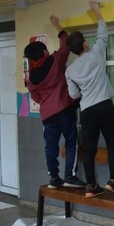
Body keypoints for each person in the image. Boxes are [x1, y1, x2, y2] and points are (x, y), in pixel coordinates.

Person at [65, 0, 114, 198]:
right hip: (105, 106)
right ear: (85, 44)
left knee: (89, 149)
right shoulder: (96, 54)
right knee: (112, 143)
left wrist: (85, 89)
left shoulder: (70, 70)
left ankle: (91, 186)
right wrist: (97, 12)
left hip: (87, 111)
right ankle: (113, 181)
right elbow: (103, 34)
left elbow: (74, 95)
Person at [24, 16, 85, 189]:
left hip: (47, 116)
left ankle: (54, 178)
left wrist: (46, 99)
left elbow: (36, 98)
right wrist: (57, 26)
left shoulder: (31, 78)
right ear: (45, 51)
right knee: (71, 141)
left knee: (50, 146)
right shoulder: (56, 61)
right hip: (64, 109)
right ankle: (70, 177)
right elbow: (66, 43)